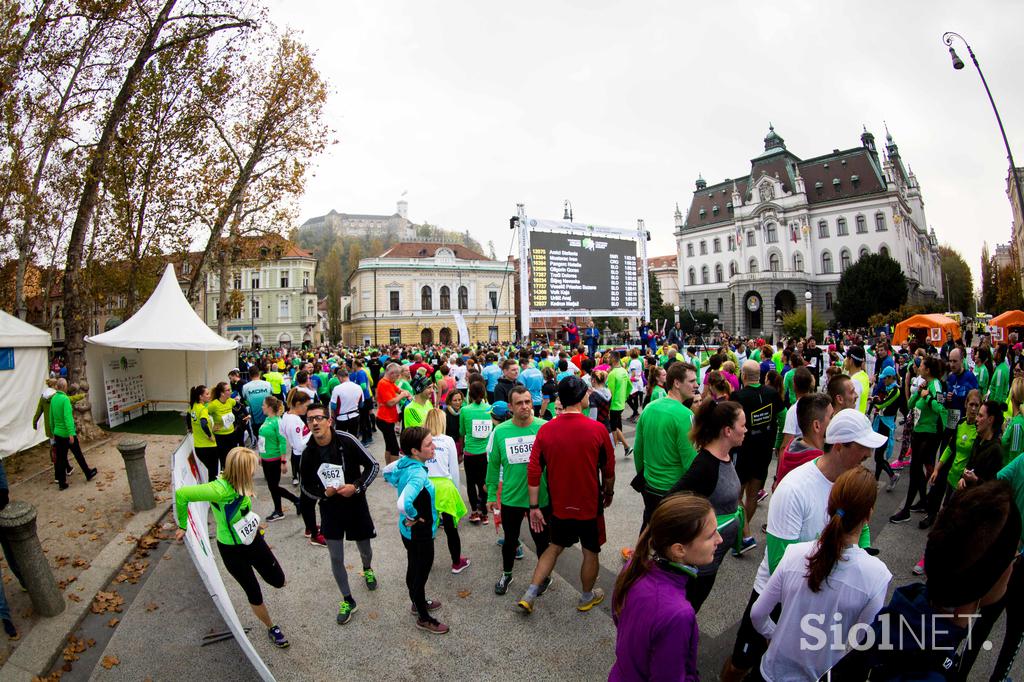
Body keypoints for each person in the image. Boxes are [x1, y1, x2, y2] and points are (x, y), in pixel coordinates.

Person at [720, 409, 885, 682]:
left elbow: (861, 530)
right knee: (742, 662)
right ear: (841, 447)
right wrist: (784, 631)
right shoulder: (795, 488)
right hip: (778, 593)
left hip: (816, 595)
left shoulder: (850, 486)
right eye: (863, 450)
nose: (868, 457)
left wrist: (859, 565)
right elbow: (778, 561)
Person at [829, 481, 1021, 681]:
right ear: (989, 580)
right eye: (1014, 556)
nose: (1015, 563)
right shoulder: (930, 670)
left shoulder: (903, 611)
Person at [750, 467, 891, 681]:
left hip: (771, 671)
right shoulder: (877, 576)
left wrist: (774, 634)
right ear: (869, 514)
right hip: (822, 674)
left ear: (830, 505)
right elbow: (862, 641)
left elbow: (757, 614)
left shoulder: (794, 553)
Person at [516, 376, 615, 615]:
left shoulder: (546, 430)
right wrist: (608, 492)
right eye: (587, 393)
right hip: (589, 504)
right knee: (590, 551)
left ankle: (530, 594)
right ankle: (586, 596)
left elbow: (534, 469)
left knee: (554, 547)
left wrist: (534, 506)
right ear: (581, 398)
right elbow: (608, 470)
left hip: (559, 505)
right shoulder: (598, 429)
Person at [174, 447, 289, 648]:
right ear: (242, 471)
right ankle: (271, 627)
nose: (255, 471)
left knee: (279, 581)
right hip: (232, 551)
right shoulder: (218, 490)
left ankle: (269, 581)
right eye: (252, 468)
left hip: (253, 539)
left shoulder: (242, 482)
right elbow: (182, 494)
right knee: (253, 591)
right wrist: (182, 525)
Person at [609, 494, 721, 682]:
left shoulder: (635, 565)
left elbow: (617, 615)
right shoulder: (679, 614)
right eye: (711, 536)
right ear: (679, 550)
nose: (720, 540)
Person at [299, 403, 379, 624]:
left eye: (318, 418)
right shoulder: (308, 452)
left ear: (329, 421)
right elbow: (305, 487)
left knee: (365, 549)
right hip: (330, 510)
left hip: (355, 504)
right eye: (310, 419)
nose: (314, 422)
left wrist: (357, 487)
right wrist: (323, 494)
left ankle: (367, 568)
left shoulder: (347, 440)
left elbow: (373, 465)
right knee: (335, 557)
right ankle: (348, 599)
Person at [666, 400, 745, 612]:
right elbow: (670, 501)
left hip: (714, 555)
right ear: (728, 431)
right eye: (743, 425)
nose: (746, 430)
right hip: (701, 564)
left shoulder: (725, 456)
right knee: (689, 606)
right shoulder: (705, 465)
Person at [383, 427, 449, 634]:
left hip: (408, 532)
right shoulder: (418, 473)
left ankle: (416, 601)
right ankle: (423, 616)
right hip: (419, 533)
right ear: (415, 450)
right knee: (420, 574)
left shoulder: (406, 462)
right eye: (428, 445)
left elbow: (386, 471)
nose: (434, 447)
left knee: (413, 566)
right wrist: (414, 516)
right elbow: (403, 503)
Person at [486, 386, 549, 595]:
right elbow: (494, 465)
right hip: (511, 497)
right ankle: (507, 574)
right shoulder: (500, 431)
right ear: (510, 407)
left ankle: (544, 577)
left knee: (542, 542)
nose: (525, 406)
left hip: (540, 498)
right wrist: (490, 495)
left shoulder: (545, 428)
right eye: (519, 403)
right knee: (510, 540)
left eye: (528, 402)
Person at [633, 362, 699, 531]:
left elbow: (638, 450)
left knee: (649, 528)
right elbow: (690, 462)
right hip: (674, 490)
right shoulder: (686, 415)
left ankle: (640, 557)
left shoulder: (649, 408)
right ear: (677, 383)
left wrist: (645, 476)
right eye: (691, 381)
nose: (696, 385)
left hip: (650, 486)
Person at [732, 360, 783, 554]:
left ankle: (744, 535)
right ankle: (743, 533)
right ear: (759, 376)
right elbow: (783, 416)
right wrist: (778, 442)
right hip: (764, 449)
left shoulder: (738, 396)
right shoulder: (772, 393)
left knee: (737, 494)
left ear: (743, 376)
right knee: (753, 494)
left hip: (744, 450)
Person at [890, 356, 947, 524]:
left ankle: (908, 508)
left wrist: (927, 397)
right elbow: (910, 405)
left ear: (927, 369)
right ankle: (924, 502)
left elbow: (940, 408)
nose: (918, 367)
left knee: (916, 469)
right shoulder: (925, 384)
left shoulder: (936, 385)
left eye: (921, 365)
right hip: (918, 431)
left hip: (929, 433)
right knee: (916, 470)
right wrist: (919, 393)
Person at [423, 409, 470, 574]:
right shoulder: (448, 440)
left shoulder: (422, 440)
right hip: (445, 486)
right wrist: (456, 491)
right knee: (451, 528)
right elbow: (454, 469)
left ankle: (426, 563)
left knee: (429, 528)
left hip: (426, 486)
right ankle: (456, 562)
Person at [281, 390, 325, 546]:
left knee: (308, 496)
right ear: (298, 404)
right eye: (306, 406)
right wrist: (314, 433)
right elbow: (299, 444)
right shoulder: (293, 421)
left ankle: (310, 527)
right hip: (303, 458)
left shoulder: (287, 417)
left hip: (300, 456)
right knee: (309, 497)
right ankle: (313, 533)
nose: (307, 410)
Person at [774, 393, 833, 489]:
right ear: (817, 425)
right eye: (831, 417)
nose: (834, 421)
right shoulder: (818, 465)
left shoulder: (790, 448)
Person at [257, 396, 300, 522]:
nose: (262, 407)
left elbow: (282, 442)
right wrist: (261, 455)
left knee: (274, 487)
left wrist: (283, 461)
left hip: (274, 459)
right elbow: (262, 440)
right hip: (266, 458)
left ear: (269, 407)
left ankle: (294, 501)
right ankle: (279, 510)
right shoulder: (267, 419)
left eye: (263, 405)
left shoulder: (277, 421)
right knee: (272, 486)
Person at [49, 378, 97, 490]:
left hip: (57, 433)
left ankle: (62, 483)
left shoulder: (53, 399)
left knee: (61, 459)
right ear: (65, 387)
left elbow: (51, 418)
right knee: (78, 454)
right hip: (67, 433)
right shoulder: (65, 399)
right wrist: (71, 433)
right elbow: (68, 418)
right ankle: (87, 472)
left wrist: (52, 432)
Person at [460, 379, 492, 524]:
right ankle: (484, 513)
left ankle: (474, 512)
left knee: (471, 483)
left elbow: (462, 431)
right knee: (483, 482)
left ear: (470, 395)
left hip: (470, 452)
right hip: (485, 453)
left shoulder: (465, 410)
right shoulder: (489, 408)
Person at [870, 365, 901, 490]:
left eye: (885, 378)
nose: (883, 381)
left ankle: (892, 476)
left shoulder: (895, 391)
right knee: (879, 454)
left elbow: (884, 404)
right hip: (883, 423)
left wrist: (875, 402)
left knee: (878, 455)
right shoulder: (890, 389)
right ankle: (876, 480)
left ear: (890, 378)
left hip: (887, 425)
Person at [374, 363, 409, 465]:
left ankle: (388, 469)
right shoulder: (384, 383)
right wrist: (402, 395)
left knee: (389, 446)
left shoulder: (389, 382)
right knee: (394, 448)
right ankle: (393, 472)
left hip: (387, 419)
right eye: (397, 375)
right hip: (384, 420)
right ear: (392, 373)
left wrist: (404, 392)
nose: (398, 378)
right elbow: (390, 403)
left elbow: (397, 389)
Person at [779, 367, 814, 454]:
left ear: (794, 385)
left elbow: (787, 443)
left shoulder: (793, 410)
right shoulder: (817, 405)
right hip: (815, 455)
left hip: (799, 456)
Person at [189, 385, 220, 481]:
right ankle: (213, 493)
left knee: (211, 471)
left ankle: (211, 492)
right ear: (200, 397)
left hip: (198, 447)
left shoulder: (193, 406)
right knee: (213, 473)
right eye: (207, 394)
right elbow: (203, 424)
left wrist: (190, 427)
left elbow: (187, 416)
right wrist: (210, 435)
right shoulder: (203, 409)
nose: (209, 395)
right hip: (208, 447)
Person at [206, 381, 240, 468]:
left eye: (230, 389)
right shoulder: (213, 405)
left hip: (232, 434)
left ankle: (233, 479)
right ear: (222, 393)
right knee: (224, 461)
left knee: (233, 459)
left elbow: (240, 406)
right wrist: (210, 429)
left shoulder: (230, 401)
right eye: (228, 390)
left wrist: (247, 415)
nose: (231, 392)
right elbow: (203, 416)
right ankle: (224, 478)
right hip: (220, 437)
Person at [606, 351, 632, 457]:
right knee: (615, 426)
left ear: (613, 359)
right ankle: (625, 447)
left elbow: (609, 392)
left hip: (613, 404)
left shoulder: (613, 374)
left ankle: (614, 451)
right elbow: (629, 386)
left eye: (608, 357)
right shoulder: (623, 371)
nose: (607, 359)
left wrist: (607, 407)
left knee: (613, 428)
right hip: (620, 403)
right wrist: (624, 397)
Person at [329, 366, 363, 437]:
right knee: (353, 438)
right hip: (355, 416)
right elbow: (361, 404)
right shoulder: (358, 387)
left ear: (340, 378)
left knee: (341, 439)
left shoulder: (337, 388)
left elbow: (333, 406)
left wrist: (332, 417)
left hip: (341, 418)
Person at [626, 348, 644, 423]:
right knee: (635, 398)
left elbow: (633, 373)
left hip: (634, 382)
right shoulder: (639, 361)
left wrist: (629, 379)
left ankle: (635, 412)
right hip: (638, 380)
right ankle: (634, 413)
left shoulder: (632, 362)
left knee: (628, 399)